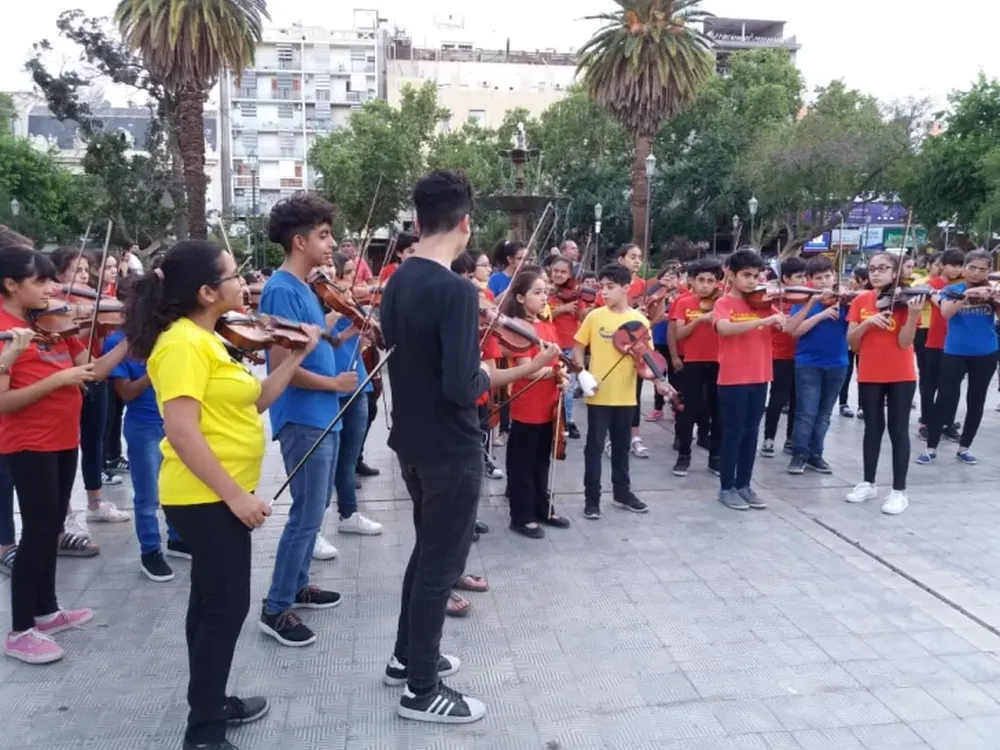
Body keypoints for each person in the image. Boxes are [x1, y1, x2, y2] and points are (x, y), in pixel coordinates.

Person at [125, 240, 321, 749]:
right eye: (234, 276)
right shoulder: (184, 344)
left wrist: (295, 355)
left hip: (217, 495)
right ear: (208, 291)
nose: (244, 283)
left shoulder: (209, 339)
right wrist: (236, 496)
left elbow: (253, 402)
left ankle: (209, 704)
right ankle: (204, 733)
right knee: (224, 609)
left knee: (210, 606)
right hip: (205, 498)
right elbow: (182, 430)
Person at [380, 170, 558, 724]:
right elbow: (462, 386)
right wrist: (504, 368)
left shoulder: (399, 281)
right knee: (441, 563)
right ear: (465, 223)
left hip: (410, 439)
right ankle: (421, 690)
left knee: (425, 552)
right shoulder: (455, 290)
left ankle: (407, 658)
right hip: (449, 446)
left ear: (416, 223)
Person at [0, 246, 129, 665]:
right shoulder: (6, 331)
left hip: (61, 437)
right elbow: (4, 402)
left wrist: (131, 340)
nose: (50, 290)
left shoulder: (55, 325)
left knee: (51, 526)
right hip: (28, 441)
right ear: (11, 285)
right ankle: (20, 630)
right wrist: (58, 379)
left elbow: (93, 371)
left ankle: (47, 610)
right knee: (36, 533)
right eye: (39, 282)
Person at [258, 195, 359, 647]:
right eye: (323, 235)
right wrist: (335, 385)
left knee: (315, 508)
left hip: (323, 415)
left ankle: (298, 584)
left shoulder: (306, 289)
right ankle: (276, 607)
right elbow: (283, 365)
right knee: (304, 513)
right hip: (303, 415)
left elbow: (316, 348)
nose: (331, 243)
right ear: (299, 241)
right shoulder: (281, 288)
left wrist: (345, 328)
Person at [574, 263, 675, 519]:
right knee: (594, 449)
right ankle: (592, 499)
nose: (604, 292)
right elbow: (578, 346)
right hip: (598, 396)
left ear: (626, 288)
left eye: (610, 287)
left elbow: (646, 361)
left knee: (621, 448)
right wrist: (581, 372)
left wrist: (659, 382)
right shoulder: (595, 316)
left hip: (626, 396)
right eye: (601, 287)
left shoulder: (640, 321)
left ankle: (622, 493)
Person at [104, 314, 189, 582]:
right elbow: (126, 392)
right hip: (144, 427)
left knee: (177, 487)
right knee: (148, 496)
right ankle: (150, 551)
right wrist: (153, 371)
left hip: (174, 421)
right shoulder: (117, 342)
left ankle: (177, 538)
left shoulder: (169, 333)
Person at [845, 251, 923, 515]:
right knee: (872, 428)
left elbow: (904, 343)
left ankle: (899, 491)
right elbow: (852, 343)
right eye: (872, 268)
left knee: (898, 431)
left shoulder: (905, 300)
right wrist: (867, 323)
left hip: (901, 374)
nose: (876, 273)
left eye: (883, 268)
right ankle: (868, 483)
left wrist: (912, 316)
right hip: (869, 372)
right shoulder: (862, 300)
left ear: (895, 272)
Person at [501, 269, 571, 538]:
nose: (544, 298)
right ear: (520, 297)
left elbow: (557, 364)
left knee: (543, 460)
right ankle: (521, 515)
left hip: (550, 403)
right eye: (537, 292)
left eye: (546, 292)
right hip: (527, 406)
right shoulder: (516, 328)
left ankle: (543, 507)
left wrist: (562, 378)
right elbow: (527, 369)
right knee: (523, 464)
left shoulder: (547, 326)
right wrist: (553, 372)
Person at [713, 250, 784, 511]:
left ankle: (744, 485)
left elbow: (788, 327)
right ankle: (726, 487)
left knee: (752, 432)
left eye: (756, 276)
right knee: (733, 432)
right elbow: (725, 329)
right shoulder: (723, 304)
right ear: (730, 275)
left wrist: (810, 305)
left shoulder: (764, 301)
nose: (753, 281)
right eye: (746, 275)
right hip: (733, 377)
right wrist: (763, 320)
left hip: (761, 374)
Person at [917, 250, 998, 466]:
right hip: (954, 352)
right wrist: (968, 295)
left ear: (988, 271)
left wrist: (994, 299)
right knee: (945, 398)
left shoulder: (992, 290)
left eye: (982, 269)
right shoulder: (953, 289)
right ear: (965, 268)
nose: (976, 272)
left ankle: (965, 447)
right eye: (972, 268)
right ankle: (930, 448)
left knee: (976, 399)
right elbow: (946, 312)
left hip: (986, 352)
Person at [325, 250, 384, 534]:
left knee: (349, 456)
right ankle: (317, 523)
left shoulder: (350, 303)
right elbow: (322, 342)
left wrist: (367, 334)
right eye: (346, 273)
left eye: (351, 273)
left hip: (357, 380)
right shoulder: (324, 306)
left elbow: (364, 336)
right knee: (329, 457)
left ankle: (348, 513)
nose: (352, 279)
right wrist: (348, 331)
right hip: (331, 384)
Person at [783, 257, 850, 475]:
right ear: (810, 280)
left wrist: (848, 301)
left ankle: (816, 454)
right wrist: (821, 314)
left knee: (824, 414)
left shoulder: (845, 300)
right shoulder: (803, 301)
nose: (824, 282)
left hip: (838, 363)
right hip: (808, 363)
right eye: (818, 278)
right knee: (806, 412)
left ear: (834, 277)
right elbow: (794, 331)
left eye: (827, 277)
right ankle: (799, 454)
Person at [669, 258, 723, 477]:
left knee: (717, 411)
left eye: (711, 281)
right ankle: (684, 455)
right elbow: (679, 334)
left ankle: (716, 458)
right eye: (701, 280)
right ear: (692, 281)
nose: (706, 285)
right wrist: (700, 320)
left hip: (720, 362)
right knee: (688, 410)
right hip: (693, 361)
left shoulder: (723, 302)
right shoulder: (684, 303)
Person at [760, 258, 805, 458]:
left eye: (805, 276)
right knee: (778, 397)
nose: (803, 281)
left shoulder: (807, 298)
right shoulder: (774, 298)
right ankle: (769, 438)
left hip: (802, 355)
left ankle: (790, 439)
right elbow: (785, 327)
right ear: (785, 278)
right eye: (798, 277)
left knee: (798, 399)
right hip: (780, 354)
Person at [917, 248, 964, 441]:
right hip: (935, 340)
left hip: (957, 342)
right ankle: (926, 422)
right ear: (942, 265)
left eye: (959, 265)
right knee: (930, 383)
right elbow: (936, 300)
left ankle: (948, 421)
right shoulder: (932, 284)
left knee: (953, 385)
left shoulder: (963, 285)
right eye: (952, 265)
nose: (955, 269)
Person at [547, 256, 588, 439]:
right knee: (549, 384)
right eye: (556, 271)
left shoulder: (575, 294)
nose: (559, 274)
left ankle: (568, 420)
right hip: (549, 345)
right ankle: (551, 419)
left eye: (563, 272)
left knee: (568, 387)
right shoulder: (545, 292)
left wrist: (587, 303)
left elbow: (583, 316)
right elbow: (542, 316)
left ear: (570, 274)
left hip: (570, 345)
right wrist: (561, 310)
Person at [839, 266, 869, 418]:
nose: (850, 280)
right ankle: (843, 403)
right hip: (848, 340)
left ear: (864, 281)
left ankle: (863, 405)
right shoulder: (846, 295)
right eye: (850, 277)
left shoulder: (868, 297)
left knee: (862, 373)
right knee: (847, 372)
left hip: (864, 341)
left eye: (854, 277)